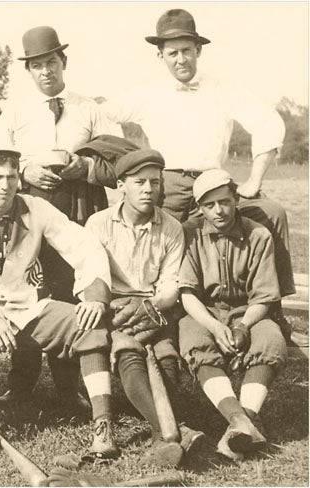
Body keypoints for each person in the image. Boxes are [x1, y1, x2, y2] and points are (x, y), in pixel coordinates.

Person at [101, 8, 295, 333]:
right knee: (162, 238)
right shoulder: (147, 93)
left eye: (187, 51)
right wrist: (132, 162)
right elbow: (103, 115)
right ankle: (165, 317)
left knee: (272, 213)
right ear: (160, 55)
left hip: (213, 185)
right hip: (167, 186)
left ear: (198, 50)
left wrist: (254, 179)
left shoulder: (222, 89)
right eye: (172, 53)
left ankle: (271, 308)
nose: (181, 60)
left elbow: (267, 121)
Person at [0, 143, 117, 469]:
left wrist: (94, 296)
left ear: (18, 179)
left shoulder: (36, 208)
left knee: (88, 325)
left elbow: (84, 245)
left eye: (10, 177)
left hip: (32, 308)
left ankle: (103, 427)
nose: (4, 185)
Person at [0, 26, 119, 411]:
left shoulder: (89, 108)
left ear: (64, 62)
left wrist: (86, 167)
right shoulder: (16, 109)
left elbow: (118, 161)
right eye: (37, 65)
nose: (46, 71)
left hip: (79, 205)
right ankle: (21, 385)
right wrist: (25, 170)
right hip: (30, 210)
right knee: (29, 289)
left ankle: (68, 387)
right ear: (28, 70)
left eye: (51, 62)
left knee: (70, 290)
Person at [84, 149, 204, 467]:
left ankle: (161, 433)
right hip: (114, 305)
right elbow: (92, 276)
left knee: (165, 354)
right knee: (129, 352)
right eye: (139, 182)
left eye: (155, 182)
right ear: (120, 185)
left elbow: (170, 284)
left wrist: (150, 306)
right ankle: (170, 430)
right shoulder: (98, 223)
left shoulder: (171, 227)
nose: (148, 189)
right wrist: (115, 308)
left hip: (155, 305)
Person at [178, 169, 286, 462]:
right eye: (209, 205)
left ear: (236, 199)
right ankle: (240, 421)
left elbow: (264, 296)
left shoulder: (258, 234)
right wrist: (214, 326)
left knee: (270, 340)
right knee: (193, 339)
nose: (219, 210)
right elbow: (187, 293)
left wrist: (244, 325)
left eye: (224, 202)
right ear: (200, 208)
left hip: (247, 310)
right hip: (205, 311)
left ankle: (240, 422)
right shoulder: (189, 232)